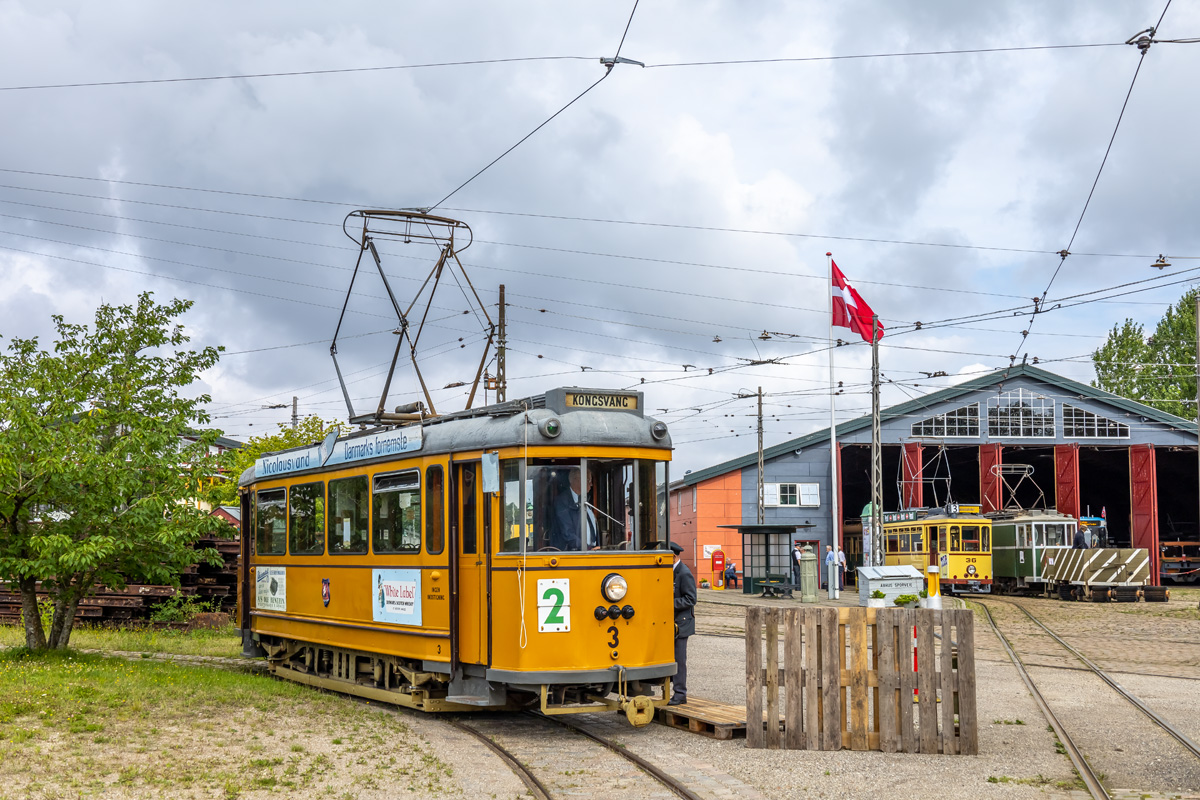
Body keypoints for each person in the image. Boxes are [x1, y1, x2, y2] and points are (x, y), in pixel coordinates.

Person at [669, 541, 695, 705]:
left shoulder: (683, 573)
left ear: (673, 557)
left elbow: (691, 599)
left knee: (679, 660)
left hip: (681, 623)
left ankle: (680, 694)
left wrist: (669, 603)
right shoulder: (672, 571)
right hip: (672, 623)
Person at [548, 469, 598, 551]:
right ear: (577, 480)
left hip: (590, 551)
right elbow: (567, 532)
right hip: (570, 554)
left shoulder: (585, 500)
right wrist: (586, 548)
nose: (591, 484)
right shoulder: (562, 502)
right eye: (589, 480)